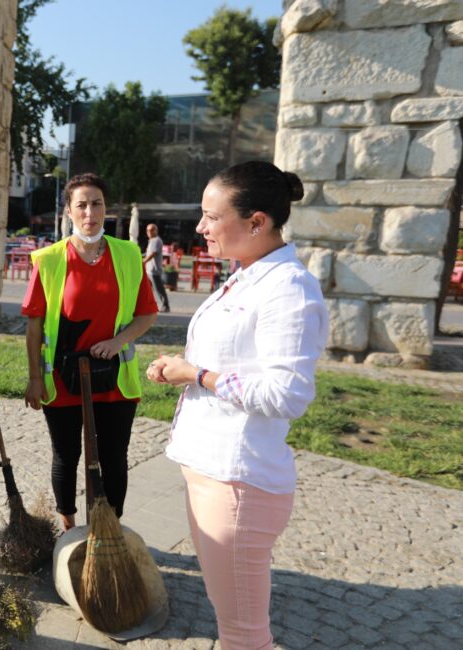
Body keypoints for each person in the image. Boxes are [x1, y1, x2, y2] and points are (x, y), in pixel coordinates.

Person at [148, 161, 328, 650]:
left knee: (244, 635)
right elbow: (236, 361)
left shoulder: (287, 288)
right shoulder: (247, 275)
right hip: (211, 472)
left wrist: (197, 375)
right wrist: (185, 366)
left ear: (257, 222)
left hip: (238, 483)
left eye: (211, 216)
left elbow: (287, 394)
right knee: (231, 617)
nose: (201, 227)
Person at [22, 173, 158, 530]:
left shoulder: (128, 255)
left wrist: (117, 342)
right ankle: (69, 525)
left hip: (114, 381)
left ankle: (110, 529)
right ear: (69, 211)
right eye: (81, 204)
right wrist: (35, 377)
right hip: (63, 380)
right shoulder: (49, 260)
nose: (89, 212)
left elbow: (147, 314)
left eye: (96, 203)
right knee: (66, 457)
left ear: (105, 208)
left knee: (114, 458)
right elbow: (34, 325)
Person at [144, 223, 171, 313]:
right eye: (148, 230)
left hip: (154, 270)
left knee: (159, 288)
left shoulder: (156, 240)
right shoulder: (151, 240)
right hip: (149, 270)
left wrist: (143, 261)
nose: (149, 232)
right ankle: (149, 305)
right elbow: (148, 253)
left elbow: (153, 254)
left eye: (152, 230)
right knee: (148, 289)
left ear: (156, 230)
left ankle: (166, 306)